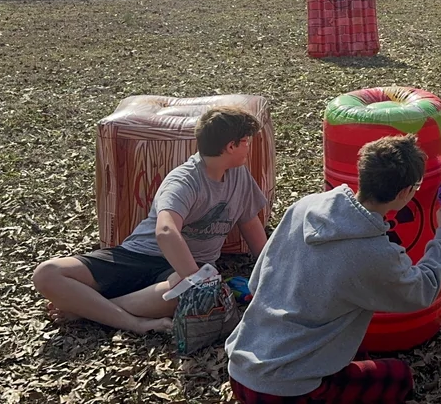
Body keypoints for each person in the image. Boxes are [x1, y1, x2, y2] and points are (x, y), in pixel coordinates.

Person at [226, 134, 441, 404]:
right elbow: (423, 289)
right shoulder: (374, 254)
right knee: (399, 377)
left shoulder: (305, 207)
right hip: (286, 391)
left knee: (356, 351)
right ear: (403, 193)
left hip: (240, 369)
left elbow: (256, 283)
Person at [32, 106, 268, 334]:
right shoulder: (184, 180)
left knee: (185, 295)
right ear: (230, 146)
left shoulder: (240, 176)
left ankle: (88, 309)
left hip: (174, 275)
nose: (249, 147)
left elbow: (249, 224)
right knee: (48, 273)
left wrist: (272, 268)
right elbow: (166, 230)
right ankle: (133, 322)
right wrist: (196, 280)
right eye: (246, 141)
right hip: (139, 256)